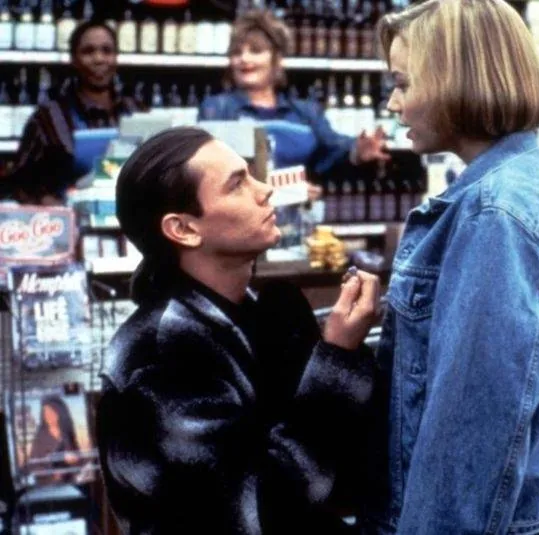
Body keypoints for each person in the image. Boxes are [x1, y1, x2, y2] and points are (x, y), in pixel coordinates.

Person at [362, 1, 539, 534]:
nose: (393, 103)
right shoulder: (513, 185)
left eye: (403, 83)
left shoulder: (495, 214)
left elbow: (469, 438)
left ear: (454, 81)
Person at [96, 126, 382, 534]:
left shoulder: (258, 316)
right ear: (183, 229)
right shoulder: (163, 354)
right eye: (236, 185)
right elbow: (260, 511)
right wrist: (337, 361)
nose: (265, 190)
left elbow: (346, 477)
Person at [197, 9, 389, 191]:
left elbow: (333, 148)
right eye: (237, 52)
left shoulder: (305, 112)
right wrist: (286, 190)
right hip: (242, 214)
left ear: (277, 59)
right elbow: (213, 173)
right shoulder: (216, 109)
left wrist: (358, 151)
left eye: (255, 51)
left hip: (298, 214)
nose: (244, 58)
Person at [2, 20, 143, 206]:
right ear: (74, 60)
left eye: (107, 50)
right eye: (88, 51)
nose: (99, 58)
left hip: (126, 219)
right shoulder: (48, 118)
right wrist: (48, 203)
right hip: (67, 219)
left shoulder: (135, 110)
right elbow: (20, 183)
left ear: (116, 58)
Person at [28, 395, 82, 485]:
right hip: (48, 486)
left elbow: (79, 459)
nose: (47, 415)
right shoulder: (40, 437)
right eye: (45, 412)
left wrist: (75, 460)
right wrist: (52, 473)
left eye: (51, 412)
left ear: (59, 412)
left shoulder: (67, 433)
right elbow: (34, 466)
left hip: (70, 483)